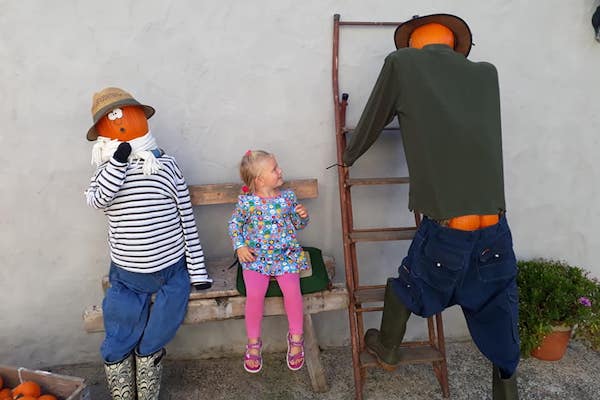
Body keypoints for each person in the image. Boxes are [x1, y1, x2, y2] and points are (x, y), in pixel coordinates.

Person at [342, 14, 520, 400]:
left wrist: (348, 155)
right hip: (496, 230)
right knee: (500, 316)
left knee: (409, 286)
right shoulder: (487, 74)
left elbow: (374, 118)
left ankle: (387, 347)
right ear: (455, 44)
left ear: (413, 43)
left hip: (447, 231)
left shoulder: (402, 64)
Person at [84, 87, 213, 400]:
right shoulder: (104, 170)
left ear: (141, 117)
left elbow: (186, 216)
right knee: (120, 325)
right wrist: (118, 163)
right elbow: (97, 200)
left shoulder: (166, 165)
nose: (123, 122)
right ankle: (124, 388)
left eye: (128, 113)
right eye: (113, 117)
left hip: (171, 269)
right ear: (103, 127)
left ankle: (148, 367)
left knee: (162, 324)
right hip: (127, 273)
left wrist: (197, 270)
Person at [228, 150, 310, 373]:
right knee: (255, 295)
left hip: (285, 256)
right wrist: (241, 246)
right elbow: (235, 225)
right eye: (274, 169)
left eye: (278, 166)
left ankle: (296, 337)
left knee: (292, 291)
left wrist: (302, 216)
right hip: (257, 259)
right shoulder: (247, 203)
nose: (280, 170)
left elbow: (297, 225)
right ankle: (253, 343)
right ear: (260, 179)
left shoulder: (288, 198)